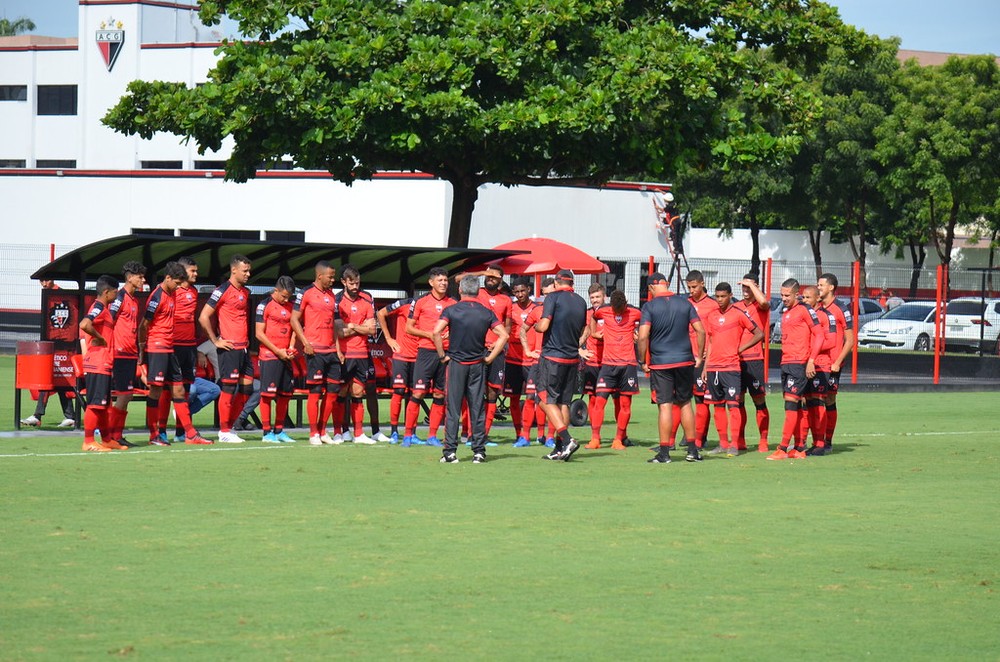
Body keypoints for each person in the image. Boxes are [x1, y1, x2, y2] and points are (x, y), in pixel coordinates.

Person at [432, 275, 509, 463]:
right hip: (477, 366)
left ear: (460, 290)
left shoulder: (451, 310)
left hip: (457, 365)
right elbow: (504, 335)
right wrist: (489, 358)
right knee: (477, 408)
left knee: (453, 410)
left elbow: (435, 332)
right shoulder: (486, 312)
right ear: (477, 291)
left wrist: (443, 356)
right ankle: (479, 452)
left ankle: (450, 452)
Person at [141, 262, 212, 445]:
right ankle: (154, 434)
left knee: (179, 389)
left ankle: (189, 433)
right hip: (157, 348)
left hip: (170, 348)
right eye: (177, 282)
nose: (179, 286)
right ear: (168, 278)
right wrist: (143, 353)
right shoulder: (157, 296)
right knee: (157, 391)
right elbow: (144, 325)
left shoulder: (173, 293)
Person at [638, 273, 704, 463]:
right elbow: (700, 330)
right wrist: (699, 355)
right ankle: (692, 451)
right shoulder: (685, 303)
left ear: (651, 288)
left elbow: (643, 336)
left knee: (665, 405)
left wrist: (642, 360)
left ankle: (665, 453)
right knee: (685, 403)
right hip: (685, 360)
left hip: (661, 363)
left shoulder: (650, 307)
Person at [701, 282, 764, 456]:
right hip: (714, 367)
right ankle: (722, 443)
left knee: (733, 406)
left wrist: (741, 348)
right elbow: (711, 342)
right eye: (717, 296)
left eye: (723, 296)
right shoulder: (712, 316)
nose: (719, 300)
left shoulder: (738, 314)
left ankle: (735, 444)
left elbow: (759, 333)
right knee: (717, 407)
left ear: (730, 296)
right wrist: (706, 368)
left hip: (731, 367)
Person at [534, 269, 588, 461]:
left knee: (543, 399)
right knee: (563, 403)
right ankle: (560, 448)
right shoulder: (581, 301)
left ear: (556, 283)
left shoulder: (553, 298)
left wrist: (535, 326)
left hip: (552, 357)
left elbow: (544, 325)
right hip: (571, 358)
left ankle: (566, 440)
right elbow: (584, 328)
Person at [199, 254, 254, 444]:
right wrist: (215, 341)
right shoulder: (222, 290)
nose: (248, 274)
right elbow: (204, 316)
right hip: (229, 348)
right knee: (229, 388)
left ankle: (230, 427)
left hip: (244, 348)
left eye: (249, 270)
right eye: (245, 270)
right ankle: (224, 431)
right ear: (234, 270)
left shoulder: (245, 292)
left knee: (247, 388)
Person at [768, 278, 824, 461]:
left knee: (791, 404)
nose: (783, 298)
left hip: (799, 363)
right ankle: (799, 447)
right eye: (782, 295)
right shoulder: (787, 312)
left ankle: (783, 448)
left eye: (787, 295)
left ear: (796, 294)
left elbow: (819, 334)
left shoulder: (804, 310)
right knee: (797, 406)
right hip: (787, 362)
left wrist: (811, 360)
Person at [290, 260, 342, 445]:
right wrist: (305, 342)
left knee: (334, 390)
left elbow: (335, 324)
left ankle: (323, 430)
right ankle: (313, 433)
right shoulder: (306, 293)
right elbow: (294, 319)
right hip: (315, 350)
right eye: (331, 276)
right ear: (320, 276)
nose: (333, 280)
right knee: (316, 391)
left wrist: (338, 348)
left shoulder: (332, 295)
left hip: (331, 350)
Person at [403, 267, 455, 447]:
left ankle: (432, 436)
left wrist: (450, 335)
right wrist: (430, 335)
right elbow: (408, 328)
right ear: (431, 282)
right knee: (418, 392)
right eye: (440, 280)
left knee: (440, 394)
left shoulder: (453, 303)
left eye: (445, 280)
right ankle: (408, 435)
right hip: (425, 352)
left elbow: (457, 326)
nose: (443, 283)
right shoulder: (421, 301)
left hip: (446, 353)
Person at [585, 289, 642, 450]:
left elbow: (646, 323)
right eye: (615, 310)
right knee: (599, 401)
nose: (618, 313)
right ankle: (595, 438)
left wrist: (638, 333)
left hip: (628, 365)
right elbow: (593, 318)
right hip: (608, 365)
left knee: (625, 404)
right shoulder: (603, 311)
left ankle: (619, 439)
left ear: (625, 303)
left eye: (620, 309)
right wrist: (595, 334)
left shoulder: (635, 312)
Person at [21, 278, 76, 428]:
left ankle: (38, 416)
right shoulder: (48, 295)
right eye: (41, 281)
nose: (44, 284)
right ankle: (69, 416)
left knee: (50, 379)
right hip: (53, 346)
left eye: (46, 280)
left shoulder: (61, 296)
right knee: (58, 380)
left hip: (62, 346)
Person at [103, 261, 146, 446]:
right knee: (123, 395)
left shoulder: (134, 300)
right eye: (140, 276)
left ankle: (117, 435)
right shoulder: (119, 298)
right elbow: (108, 322)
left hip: (130, 354)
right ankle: (111, 436)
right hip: (119, 354)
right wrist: (110, 348)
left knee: (126, 396)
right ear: (130, 277)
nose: (143, 280)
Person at [159, 256, 201, 442]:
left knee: (185, 390)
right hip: (173, 346)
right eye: (192, 271)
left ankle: (180, 432)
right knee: (167, 391)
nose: (196, 274)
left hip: (189, 347)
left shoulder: (194, 291)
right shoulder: (172, 292)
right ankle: (161, 430)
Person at [78, 275, 122, 451]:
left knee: (104, 405)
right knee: (96, 404)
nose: (116, 295)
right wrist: (100, 338)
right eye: (115, 292)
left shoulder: (103, 308)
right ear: (106, 292)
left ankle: (106, 439)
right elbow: (84, 324)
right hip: (97, 362)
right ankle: (88, 441)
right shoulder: (98, 307)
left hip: (104, 362)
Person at [335, 264, 378, 444]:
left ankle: (359, 433)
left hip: (362, 353)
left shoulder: (366, 301)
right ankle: (338, 432)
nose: (355, 287)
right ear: (343, 282)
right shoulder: (337, 301)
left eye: (357, 283)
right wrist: (361, 328)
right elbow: (340, 332)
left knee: (358, 391)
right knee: (342, 391)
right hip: (344, 353)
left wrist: (352, 326)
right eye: (351, 283)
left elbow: (372, 330)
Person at [255, 276, 298, 443]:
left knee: (286, 394)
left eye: (289, 297)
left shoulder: (291, 307)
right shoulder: (263, 305)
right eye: (284, 296)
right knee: (267, 394)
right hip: (269, 355)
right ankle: (267, 432)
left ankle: (279, 430)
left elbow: (295, 327)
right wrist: (277, 351)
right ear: (276, 291)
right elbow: (259, 333)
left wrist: (292, 346)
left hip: (286, 355)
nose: (286, 299)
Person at [816, 272, 855, 455]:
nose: (818, 288)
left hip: (832, 364)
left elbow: (850, 340)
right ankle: (813, 440)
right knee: (811, 399)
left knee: (829, 399)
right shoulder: (817, 307)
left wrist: (838, 362)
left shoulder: (841, 309)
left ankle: (827, 441)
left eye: (821, 285)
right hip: (816, 362)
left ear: (831, 287)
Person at [732, 274, 772, 452]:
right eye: (744, 287)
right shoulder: (737, 306)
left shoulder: (761, 306)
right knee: (737, 401)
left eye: (749, 287)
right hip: (736, 360)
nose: (746, 291)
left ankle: (763, 439)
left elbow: (764, 302)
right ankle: (740, 439)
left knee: (759, 400)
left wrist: (753, 285)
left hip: (754, 359)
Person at [518, 277, 557, 447]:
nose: (548, 297)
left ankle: (547, 436)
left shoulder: (562, 311)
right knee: (530, 397)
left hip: (555, 361)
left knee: (550, 400)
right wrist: (527, 350)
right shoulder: (536, 311)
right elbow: (522, 330)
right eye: (546, 294)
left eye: (552, 294)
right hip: (537, 361)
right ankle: (525, 436)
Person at [474, 265, 512, 437]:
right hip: (476, 348)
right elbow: (459, 279)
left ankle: (485, 434)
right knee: (474, 390)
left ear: (500, 280)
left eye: (494, 276)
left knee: (492, 392)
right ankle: (470, 432)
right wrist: (482, 272)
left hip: (496, 351)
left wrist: (498, 344)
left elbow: (508, 326)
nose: (490, 278)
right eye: (488, 275)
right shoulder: (476, 292)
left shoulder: (506, 300)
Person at [685, 270, 720, 448]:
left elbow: (714, 332)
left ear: (702, 283)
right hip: (686, 356)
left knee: (701, 398)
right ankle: (689, 435)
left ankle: (700, 437)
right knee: (683, 398)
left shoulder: (713, 305)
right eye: (689, 287)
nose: (691, 290)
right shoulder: (686, 303)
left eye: (694, 287)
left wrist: (708, 351)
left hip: (703, 358)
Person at [377, 295, 418, 443]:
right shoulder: (404, 304)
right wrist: (388, 338)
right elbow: (380, 313)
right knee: (399, 391)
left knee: (416, 394)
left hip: (419, 357)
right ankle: (394, 431)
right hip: (401, 355)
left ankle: (412, 433)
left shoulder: (428, 306)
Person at [801, 285, 835, 454]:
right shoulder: (804, 315)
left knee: (817, 403)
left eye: (808, 297)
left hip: (820, 364)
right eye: (803, 297)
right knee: (806, 404)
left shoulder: (825, 316)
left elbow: (831, 341)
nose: (805, 300)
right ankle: (804, 442)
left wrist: (809, 350)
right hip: (805, 363)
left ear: (817, 299)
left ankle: (820, 444)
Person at [504, 277, 537, 446]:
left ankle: (527, 434)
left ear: (529, 290)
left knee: (531, 397)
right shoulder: (510, 309)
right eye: (516, 292)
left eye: (522, 290)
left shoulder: (538, 309)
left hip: (532, 361)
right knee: (514, 399)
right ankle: (519, 434)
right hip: (513, 359)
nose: (519, 294)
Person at [581, 283, 606, 446]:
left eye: (598, 297)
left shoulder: (611, 312)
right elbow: (579, 332)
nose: (595, 300)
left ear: (604, 296)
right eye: (592, 297)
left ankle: (622, 436)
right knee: (593, 399)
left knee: (617, 400)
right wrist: (579, 350)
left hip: (610, 362)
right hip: (592, 361)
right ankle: (594, 434)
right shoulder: (587, 313)